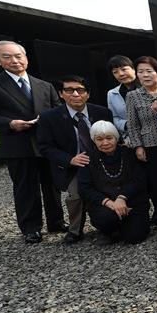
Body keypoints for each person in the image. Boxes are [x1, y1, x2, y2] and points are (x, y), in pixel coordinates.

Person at [0, 40, 65, 243]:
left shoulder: (44, 85)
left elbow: (57, 108)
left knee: (52, 185)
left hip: (46, 143)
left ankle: (56, 221)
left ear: (26, 58)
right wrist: (9, 123)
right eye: (7, 56)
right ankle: (31, 228)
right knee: (25, 188)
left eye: (18, 56)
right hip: (17, 143)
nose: (14, 60)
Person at [36, 76, 113, 244]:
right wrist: (70, 159)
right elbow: (44, 147)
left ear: (88, 94)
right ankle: (75, 230)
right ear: (61, 94)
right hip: (73, 166)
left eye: (80, 90)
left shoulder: (102, 112)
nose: (76, 94)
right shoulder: (49, 117)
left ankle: (106, 227)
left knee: (108, 191)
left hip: (102, 163)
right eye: (69, 90)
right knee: (76, 195)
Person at [126, 56, 157, 232]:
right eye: (141, 72)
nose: (145, 75)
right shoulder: (133, 96)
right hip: (150, 145)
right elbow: (132, 124)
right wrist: (138, 146)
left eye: (149, 71)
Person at [78, 120, 150, 245]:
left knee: (135, 237)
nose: (105, 143)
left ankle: (124, 227)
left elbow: (139, 180)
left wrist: (122, 198)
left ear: (116, 138)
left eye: (109, 138)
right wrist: (110, 203)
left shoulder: (129, 154)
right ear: (93, 140)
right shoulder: (88, 159)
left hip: (131, 201)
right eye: (99, 139)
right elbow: (85, 188)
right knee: (107, 218)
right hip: (105, 204)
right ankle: (108, 230)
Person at [106, 55, 138, 142]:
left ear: (133, 69)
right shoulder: (111, 94)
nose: (120, 74)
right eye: (115, 72)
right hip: (129, 139)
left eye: (124, 69)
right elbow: (114, 117)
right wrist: (127, 124)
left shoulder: (147, 87)